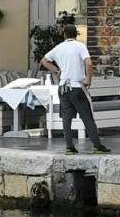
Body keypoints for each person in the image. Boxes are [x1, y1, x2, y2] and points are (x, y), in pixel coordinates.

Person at [38, 22, 108, 155]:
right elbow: (89, 63)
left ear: (64, 35)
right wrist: (88, 79)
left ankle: (69, 147)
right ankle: (97, 145)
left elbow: (44, 61)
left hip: (63, 87)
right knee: (87, 117)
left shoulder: (59, 48)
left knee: (66, 118)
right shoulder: (80, 47)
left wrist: (57, 70)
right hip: (76, 86)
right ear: (76, 34)